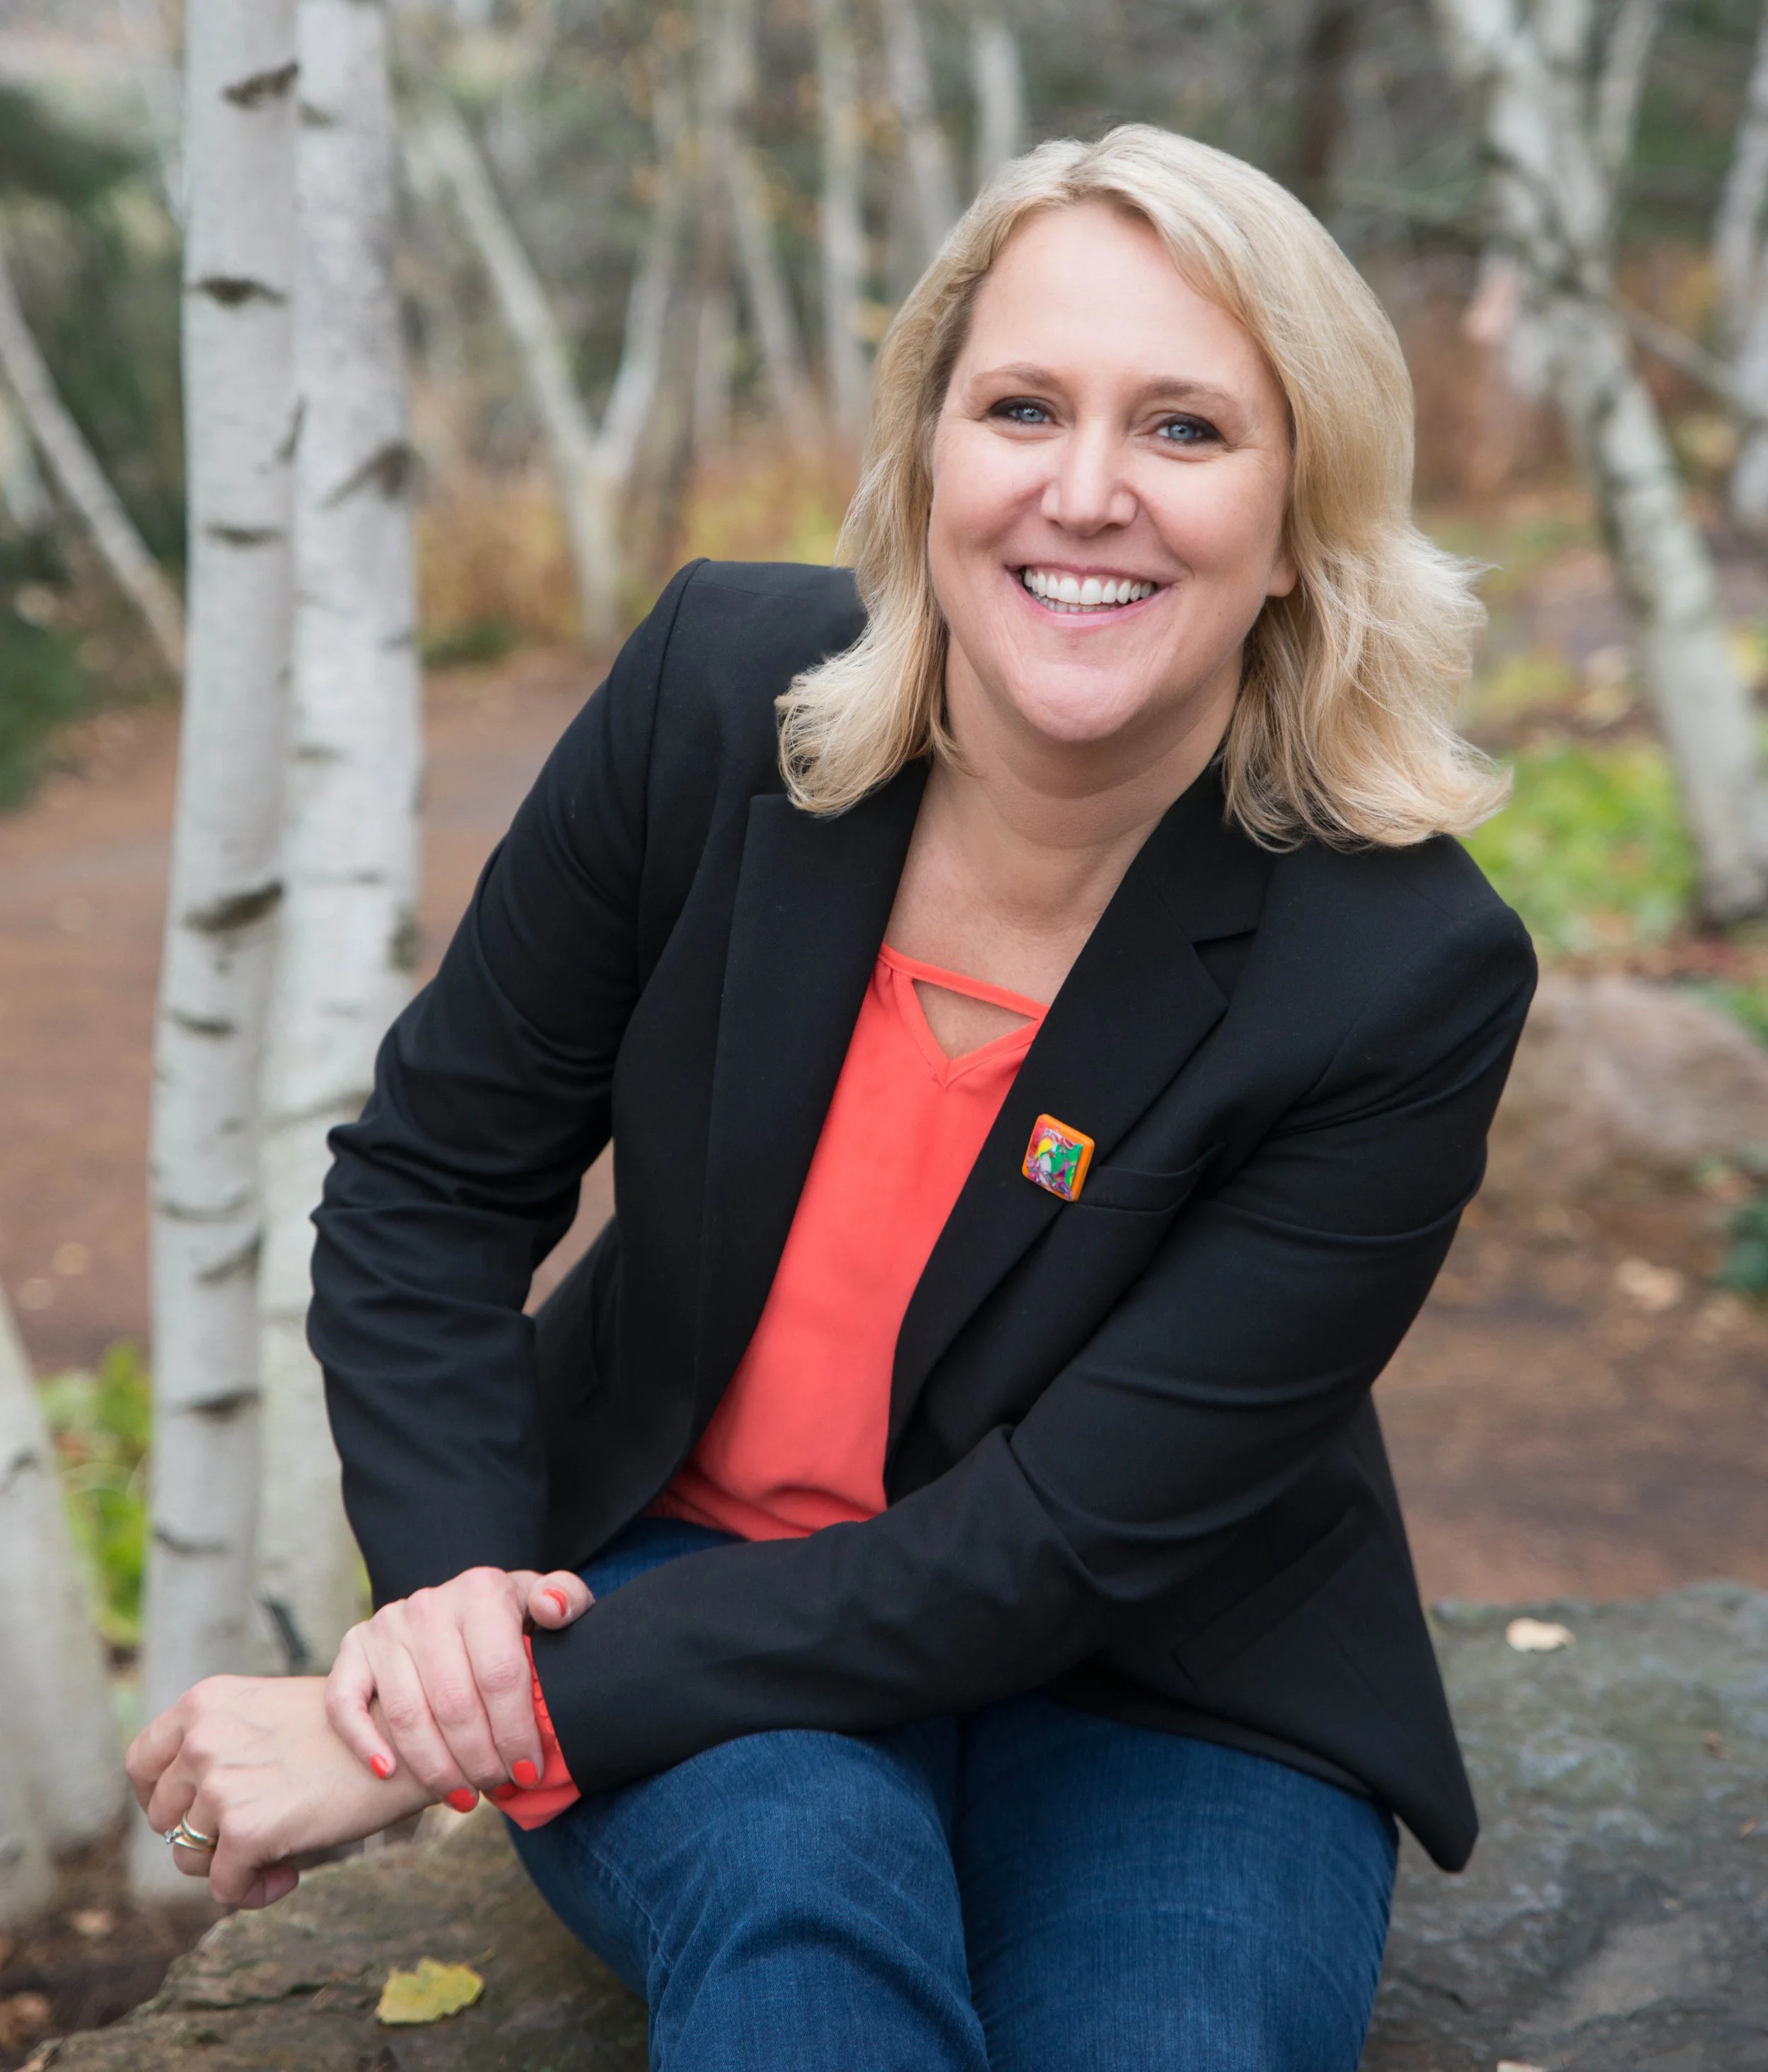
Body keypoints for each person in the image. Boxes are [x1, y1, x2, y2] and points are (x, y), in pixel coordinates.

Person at [130, 127, 1535, 2072]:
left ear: (1300, 512)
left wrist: (440, 1735)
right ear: (925, 454)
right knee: (800, 1949)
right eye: (1020, 406)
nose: (1084, 492)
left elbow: (1053, 1547)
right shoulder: (718, 696)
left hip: (1163, 1664)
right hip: (666, 1569)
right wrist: (457, 1614)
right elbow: (434, 1183)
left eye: (1188, 431)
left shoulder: (1397, 967)